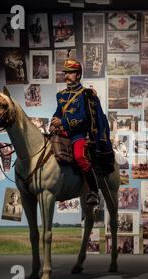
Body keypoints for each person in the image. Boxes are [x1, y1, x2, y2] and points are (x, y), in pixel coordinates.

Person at [51, 58, 114, 206]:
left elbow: (84, 118)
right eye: (65, 72)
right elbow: (59, 112)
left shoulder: (86, 94)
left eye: (71, 72)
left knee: (80, 156)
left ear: (78, 75)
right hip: (63, 133)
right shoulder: (60, 95)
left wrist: (63, 122)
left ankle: (93, 191)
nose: (67, 75)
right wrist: (55, 120)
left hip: (79, 134)